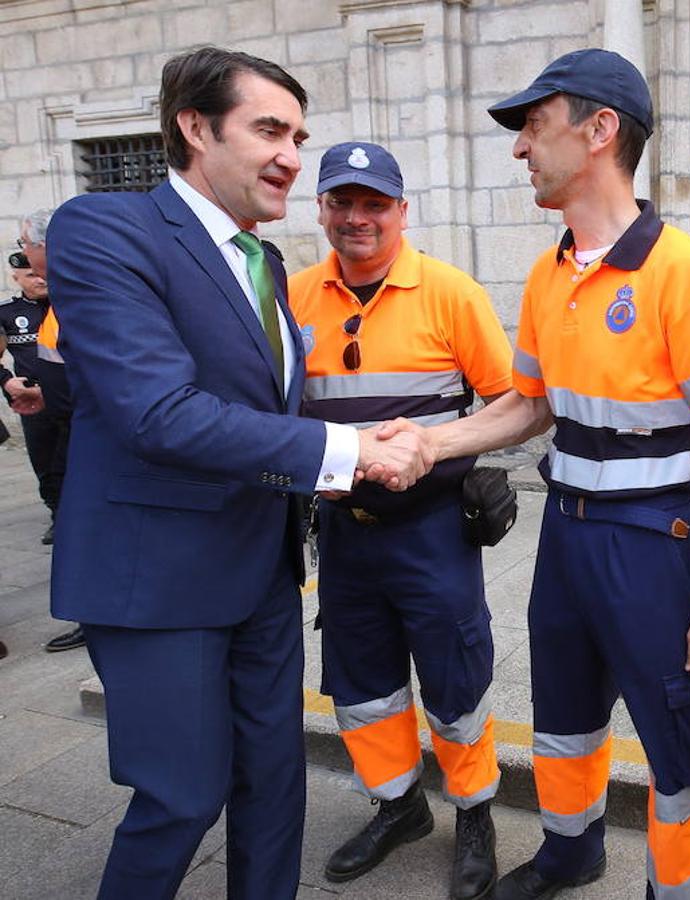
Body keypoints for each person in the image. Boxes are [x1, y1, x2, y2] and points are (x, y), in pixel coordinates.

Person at [44, 47, 432, 900]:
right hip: (156, 580)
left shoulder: (265, 264)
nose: (293, 155)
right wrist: (351, 451)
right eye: (268, 129)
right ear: (193, 126)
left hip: (261, 575)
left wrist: (345, 466)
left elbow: (261, 418)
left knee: (274, 789)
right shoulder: (105, 229)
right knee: (181, 798)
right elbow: (157, 411)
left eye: (298, 134)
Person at [384, 48, 690, 900]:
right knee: (562, 712)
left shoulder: (680, 271)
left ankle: (681, 889)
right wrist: (429, 442)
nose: (520, 148)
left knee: (681, 735)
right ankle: (568, 851)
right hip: (566, 530)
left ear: (599, 131)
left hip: (648, 540)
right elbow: (529, 405)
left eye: (533, 124)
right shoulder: (548, 272)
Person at [288, 141, 512, 898]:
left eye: (373, 203)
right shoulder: (291, 298)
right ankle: (398, 806)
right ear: (319, 209)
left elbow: (514, 402)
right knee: (360, 685)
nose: (357, 218)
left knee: (456, 678)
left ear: (401, 211)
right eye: (341, 202)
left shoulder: (449, 292)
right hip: (345, 535)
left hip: (433, 530)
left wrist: (460, 457)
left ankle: (474, 814)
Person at [15, 210, 87, 653]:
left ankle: (95, 616)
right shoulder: (56, 295)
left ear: (43, 246)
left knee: (81, 526)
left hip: (85, 434)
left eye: (25, 244)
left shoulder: (79, 289)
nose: (23, 254)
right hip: (64, 424)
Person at [1, 249, 68, 543]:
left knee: (73, 460)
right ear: (16, 277)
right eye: (30, 275)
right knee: (45, 462)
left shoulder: (66, 305)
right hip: (33, 402)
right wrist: (7, 382)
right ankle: (58, 515)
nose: (40, 279)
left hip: (69, 399)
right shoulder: (7, 312)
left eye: (41, 272)